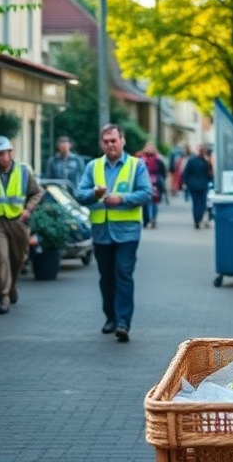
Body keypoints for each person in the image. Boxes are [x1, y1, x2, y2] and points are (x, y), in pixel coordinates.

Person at [76, 123, 151, 342]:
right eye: (106, 141)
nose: (110, 145)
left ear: (122, 141)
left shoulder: (137, 166)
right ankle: (110, 317)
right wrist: (94, 193)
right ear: (102, 143)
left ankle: (123, 323)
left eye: (114, 141)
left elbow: (146, 193)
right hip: (101, 232)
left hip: (127, 232)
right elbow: (80, 194)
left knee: (123, 274)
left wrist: (122, 199)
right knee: (106, 278)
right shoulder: (93, 166)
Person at [0, 135, 42, 315]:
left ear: (10, 152)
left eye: (1, 154)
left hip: (18, 222)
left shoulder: (24, 171)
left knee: (18, 259)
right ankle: (3, 297)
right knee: (1, 258)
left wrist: (28, 209)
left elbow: (37, 193)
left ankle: (12, 286)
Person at [181, 145, 213, 229]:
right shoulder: (205, 161)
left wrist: (185, 182)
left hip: (193, 185)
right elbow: (210, 174)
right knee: (202, 203)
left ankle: (197, 219)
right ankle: (198, 218)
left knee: (196, 203)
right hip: (202, 185)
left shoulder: (192, 160)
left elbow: (186, 172)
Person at [137, 141, 167, 229]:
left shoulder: (158, 159)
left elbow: (163, 172)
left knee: (154, 202)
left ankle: (153, 219)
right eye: (148, 147)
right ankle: (146, 220)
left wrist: (162, 182)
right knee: (144, 202)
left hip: (156, 184)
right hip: (143, 182)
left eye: (151, 147)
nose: (149, 149)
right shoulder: (140, 158)